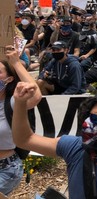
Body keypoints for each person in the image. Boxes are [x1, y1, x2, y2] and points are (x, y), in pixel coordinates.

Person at [13, 84, 97, 198]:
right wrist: (20, 103)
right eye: (89, 116)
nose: (88, 123)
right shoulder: (75, 147)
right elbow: (24, 139)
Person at [0, 46, 42, 196]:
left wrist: (16, 62)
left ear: (9, 79)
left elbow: (36, 96)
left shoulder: (13, 102)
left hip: (6, 169)